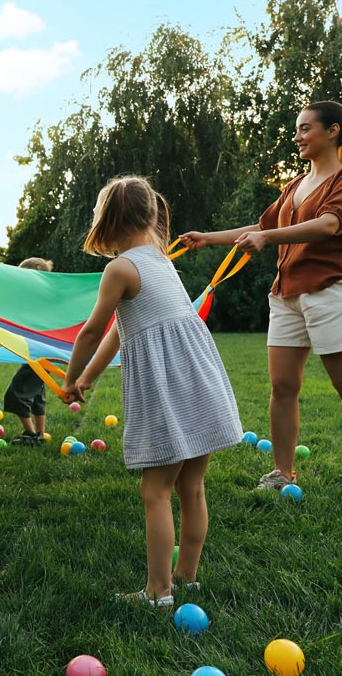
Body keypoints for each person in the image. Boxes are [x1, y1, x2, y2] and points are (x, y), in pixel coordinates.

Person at [181, 100, 342, 503]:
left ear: (333, 131)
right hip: (286, 295)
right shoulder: (294, 185)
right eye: (298, 129)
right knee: (282, 387)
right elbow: (263, 226)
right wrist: (208, 237)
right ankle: (282, 471)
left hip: (331, 291)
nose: (298, 136)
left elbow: (329, 224)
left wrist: (268, 239)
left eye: (306, 128)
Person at [61, 176, 242, 607]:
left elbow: (90, 332)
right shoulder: (160, 262)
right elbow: (122, 331)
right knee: (192, 488)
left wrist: (70, 378)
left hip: (170, 389)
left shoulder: (120, 269)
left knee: (155, 491)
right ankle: (187, 578)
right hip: (201, 383)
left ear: (107, 221)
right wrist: (89, 378)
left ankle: (158, 593)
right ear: (149, 215)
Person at [6, 257, 54, 446]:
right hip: (40, 355)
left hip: (39, 356)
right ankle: (40, 435)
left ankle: (30, 434)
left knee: (15, 393)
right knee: (36, 396)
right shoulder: (42, 300)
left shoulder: (40, 300)